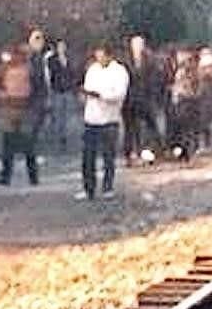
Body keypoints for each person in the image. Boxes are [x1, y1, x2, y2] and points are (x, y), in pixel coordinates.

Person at [78, 41, 129, 200]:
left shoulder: (119, 71)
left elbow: (119, 93)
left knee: (108, 155)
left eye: (102, 56)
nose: (99, 59)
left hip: (109, 118)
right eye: (97, 56)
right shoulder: (92, 70)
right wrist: (86, 95)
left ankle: (108, 187)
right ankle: (89, 188)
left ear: (109, 55)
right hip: (91, 118)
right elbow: (87, 88)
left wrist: (101, 95)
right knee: (88, 156)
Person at [0, 44, 39, 186]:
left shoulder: (30, 70)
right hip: (10, 108)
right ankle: (6, 176)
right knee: (9, 144)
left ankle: (32, 176)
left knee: (28, 145)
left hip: (24, 108)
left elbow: (36, 88)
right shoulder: (4, 69)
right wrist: (1, 96)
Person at [122, 35, 163, 165]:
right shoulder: (125, 60)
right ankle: (130, 153)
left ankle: (150, 150)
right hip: (129, 99)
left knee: (150, 126)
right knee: (130, 128)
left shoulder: (150, 60)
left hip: (146, 98)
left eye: (140, 45)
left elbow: (155, 78)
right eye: (135, 45)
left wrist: (153, 95)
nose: (137, 47)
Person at [47, 38, 76, 152]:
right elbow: (51, 74)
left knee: (66, 116)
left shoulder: (69, 59)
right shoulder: (51, 59)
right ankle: (57, 138)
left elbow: (72, 73)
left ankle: (64, 138)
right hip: (57, 90)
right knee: (57, 115)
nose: (62, 48)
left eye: (63, 46)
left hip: (67, 90)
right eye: (60, 46)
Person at [26, 29, 51, 149]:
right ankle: (30, 139)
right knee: (33, 116)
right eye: (36, 40)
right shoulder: (28, 56)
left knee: (40, 115)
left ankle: (33, 138)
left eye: (40, 40)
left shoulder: (44, 57)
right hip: (31, 91)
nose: (39, 43)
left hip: (41, 90)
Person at [196, 45, 212, 151]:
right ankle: (206, 144)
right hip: (208, 99)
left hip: (203, 98)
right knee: (205, 123)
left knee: (201, 122)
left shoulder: (201, 70)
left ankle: (202, 144)